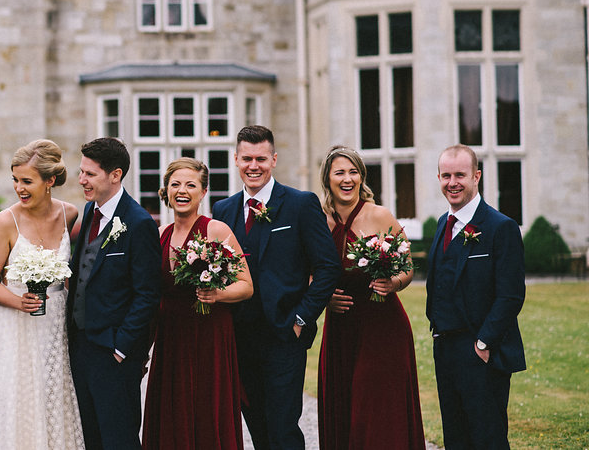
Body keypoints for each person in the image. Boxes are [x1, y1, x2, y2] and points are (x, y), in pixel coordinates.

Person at [211, 125, 340, 450]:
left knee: (283, 428)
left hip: (284, 335)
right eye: (247, 159)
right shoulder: (222, 211)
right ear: (236, 160)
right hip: (238, 337)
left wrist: (301, 319)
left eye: (261, 159)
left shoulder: (300, 204)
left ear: (274, 160)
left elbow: (327, 267)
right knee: (256, 426)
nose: (254, 166)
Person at [0, 139, 84, 449]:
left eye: (27, 181)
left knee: (52, 393)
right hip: (13, 325)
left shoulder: (70, 214)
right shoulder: (5, 221)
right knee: (14, 399)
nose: (19, 187)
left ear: (50, 181)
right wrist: (19, 301)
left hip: (55, 322)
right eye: (16, 180)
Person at [315, 145, 424, 450]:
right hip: (340, 329)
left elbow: (408, 267)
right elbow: (307, 273)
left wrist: (393, 283)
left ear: (362, 177)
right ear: (328, 179)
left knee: (375, 408)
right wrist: (324, 298)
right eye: (340, 172)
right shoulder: (319, 221)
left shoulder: (379, 215)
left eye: (354, 172)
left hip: (382, 327)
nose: (347, 179)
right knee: (344, 405)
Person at [141, 158, 253, 450]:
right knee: (172, 410)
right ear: (165, 190)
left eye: (191, 185)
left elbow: (246, 285)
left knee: (206, 410)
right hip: (171, 339)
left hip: (209, 338)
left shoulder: (216, 229)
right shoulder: (160, 235)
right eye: (175, 184)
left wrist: (218, 295)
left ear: (203, 192)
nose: (182, 190)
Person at [427, 144, 525, 450]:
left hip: (481, 351)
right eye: (446, 175)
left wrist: (484, 343)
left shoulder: (501, 227)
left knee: (488, 438)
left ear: (476, 176)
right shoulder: (443, 224)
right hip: (445, 349)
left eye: (460, 175)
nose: (452, 182)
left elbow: (511, 294)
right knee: (456, 437)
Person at [67, 137, 162, 450]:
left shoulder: (139, 223)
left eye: (90, 174)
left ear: (115, 175)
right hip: (81, 349)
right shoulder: (89, 211)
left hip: (114, 354)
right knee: (90, 438)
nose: (82, 180)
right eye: (82, 172)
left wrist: (122, 346)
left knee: (119, 439)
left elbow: (147, 294)